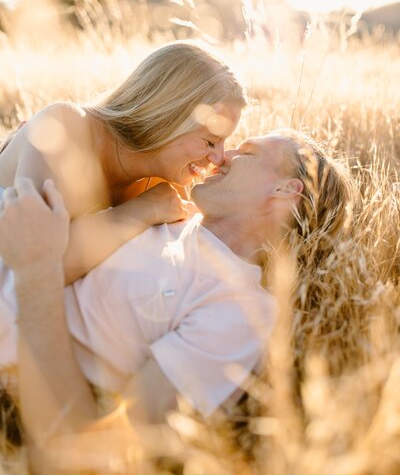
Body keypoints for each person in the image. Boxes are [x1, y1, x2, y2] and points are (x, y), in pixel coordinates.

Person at [0, 129, 353, 473]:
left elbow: (97, 449)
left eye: (247, 152)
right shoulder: (158, 203)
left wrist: (35, 275)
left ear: (285, 189)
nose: (221, 157)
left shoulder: (241, 310)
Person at [0, 40, 245, 283]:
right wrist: (140, 212)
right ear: (168, 118)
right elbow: (31, 270)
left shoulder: (163, 183)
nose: (218, 157)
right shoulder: (66, 131)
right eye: (211, 142)